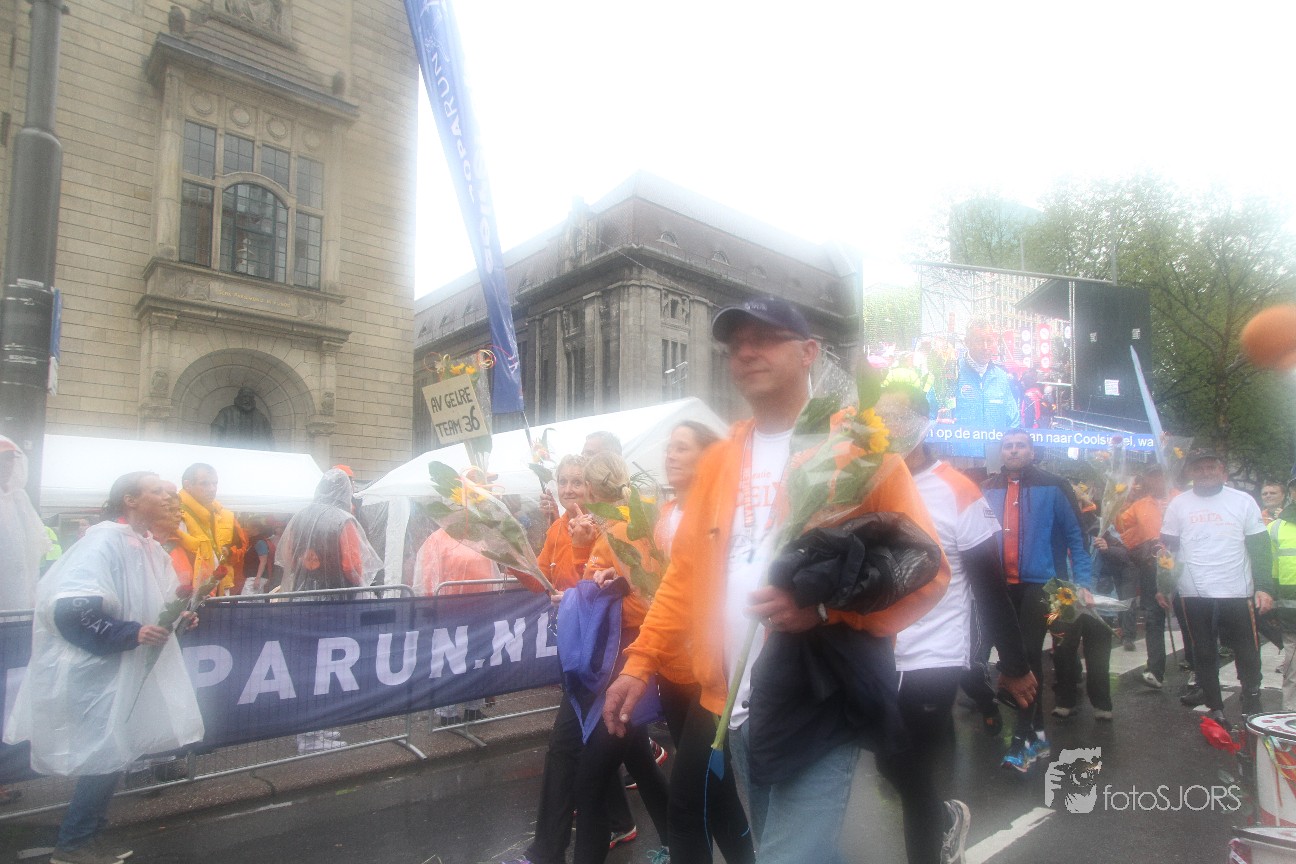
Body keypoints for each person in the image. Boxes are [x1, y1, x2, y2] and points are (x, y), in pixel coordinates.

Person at [602, 297, 949, 863]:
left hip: (818, 695)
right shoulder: (720, 461)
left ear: (809, 352)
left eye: (764, 338)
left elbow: (924, 567)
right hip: (733, 703)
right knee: (787, 850)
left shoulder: (859, 448)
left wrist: (825, 610)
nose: (745, 351)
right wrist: (639, 663)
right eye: (735, 343)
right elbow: (685, 577)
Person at [4, 471, 204, 864]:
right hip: (96, 674)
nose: (170, 498)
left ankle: (88, 838)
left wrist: (180, 619)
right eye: (158, 491)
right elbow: (70, 610)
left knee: (112, 756)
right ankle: (73, 845)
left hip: (121, 671)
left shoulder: (148, 547)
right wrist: (131, 633)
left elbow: (158, 606)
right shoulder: (102, 543)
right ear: (130, 499)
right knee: (104, 756)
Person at [876, 384, 1035, 864]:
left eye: (897, 416)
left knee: (915, 766)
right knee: (889, 766)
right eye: (879, 416)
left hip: (936, 654)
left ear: (922, 424)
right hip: (876, 652)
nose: (887, 426)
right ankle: (943, 817)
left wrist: (1014, 665)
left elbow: (990, 587)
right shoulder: (867, 484)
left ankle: (930, 846)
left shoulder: (957, 490)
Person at [651, 421, 754, 864]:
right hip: (670, 670)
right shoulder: (664, 513)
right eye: (669, 447)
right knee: (717, 789)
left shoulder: (725, 510)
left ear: (709, 458)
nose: (670, 455)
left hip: (709, 675)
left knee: (686, 801)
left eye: (681, 448)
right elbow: (667, 585)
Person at [571, 452, 670, 864]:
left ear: (593, 489)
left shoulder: (625, 527)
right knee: (639, 764)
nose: (573, 492)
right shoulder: (612, 526)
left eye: (579, 483)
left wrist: (604, 594)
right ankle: (680, 844)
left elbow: (648, 599)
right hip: (621, 656)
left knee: (591, 777)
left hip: (627, 657)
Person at [981, 429, 1092, 771]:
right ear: (1001, 452)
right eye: (1008, 446)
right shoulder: (988, 487)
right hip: (1001, 585)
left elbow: (1076, 535)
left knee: (1027, 655)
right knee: (1011, 656)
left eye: (1021, 445)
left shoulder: (1054, 485)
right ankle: (1038, 733)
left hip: (1043, 584)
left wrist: (1084, 582)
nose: (1014, 451)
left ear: (1031, 451)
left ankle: (1021, 741)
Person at [1161, 449, 1273, 728]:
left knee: (1247, 649)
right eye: (1199, 468)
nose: (1206, 472)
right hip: (1193, 591)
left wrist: (1264, 587)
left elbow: (1260, 548)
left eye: (1211, 467)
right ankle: (1215, 705)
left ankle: (1251, 696)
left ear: (1222, 471)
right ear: (1190, 473)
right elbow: (1167, 549)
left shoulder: (1243, 501)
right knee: (1203, 651)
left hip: (1237, 589)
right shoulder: (1178, 504)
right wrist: (1163, 585)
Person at [278, 468, 382, 594]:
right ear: (345, 492)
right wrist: (358, 583)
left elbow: (288, 555)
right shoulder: (343, 520)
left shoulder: (300, 516)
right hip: (336, 593)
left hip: (302, 589)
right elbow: (351, 565)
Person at [1114, 467, 1171, 688]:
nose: (1157, 480)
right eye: (1152, 476)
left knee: (1189, 619)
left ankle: (1196, 668)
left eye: (1160, 475)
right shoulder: (1139, 505)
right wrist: (1117, 499)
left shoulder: (1181, 499)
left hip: (1185, 566)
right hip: (1152, 567)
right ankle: (1155, 670)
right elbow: (1120, 526)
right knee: (1153, 617)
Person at [177, 463, 248, 594]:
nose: (212, 489)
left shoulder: (222, 514)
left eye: (215, 483)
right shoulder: (177, 515)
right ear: (187, 485)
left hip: (220, 585)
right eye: (204, 484)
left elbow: (241, 546)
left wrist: (229, 551)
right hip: (192, 591)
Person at [0, 436, 49, 609]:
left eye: (10, 458)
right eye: (2, 458)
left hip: (20, 582)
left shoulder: (19, 498)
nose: (6, 464)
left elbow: (36, 539)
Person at [953, 319, 1020, 430]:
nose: (985, 347)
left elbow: (1014, 420)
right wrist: (936, 423)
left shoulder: (1001, 377)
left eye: (989, 341)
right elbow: (928, 417)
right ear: (967, 342)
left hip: (996, 442)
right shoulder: (951, 373)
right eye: (979, 341)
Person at [1267, 476, 1296, 709]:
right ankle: (1291, 715)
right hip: (1291, 614)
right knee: (1293, 669)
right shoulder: (1275, 529)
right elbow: (1270, 571)